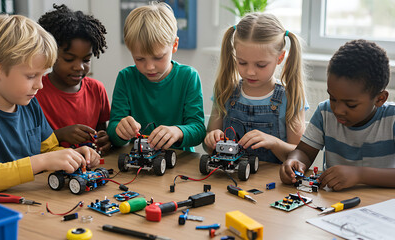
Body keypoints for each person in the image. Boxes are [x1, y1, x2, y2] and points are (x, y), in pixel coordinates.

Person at [0, 15, 100, 194]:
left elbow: (51, 149)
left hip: (29, 208)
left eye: (41, 75)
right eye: (31, 76)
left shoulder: (30, 105)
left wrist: (74, 156)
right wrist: (41, 161)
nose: (40, 85)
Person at [280, 39, 395, 191]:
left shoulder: (392, 119)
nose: (338, 110)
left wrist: (360, 175)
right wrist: (294, 161)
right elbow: (304, 152)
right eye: (333, 98)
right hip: (334, 204)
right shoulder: (324, 112)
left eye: (351, 104)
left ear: (380, 99)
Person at [204, 13, 307, 164]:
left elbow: (301, 155)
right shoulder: (225, 91)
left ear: (280, 58)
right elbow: (208, 147)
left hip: (273, 183)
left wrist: (273, 142)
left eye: (261, 65)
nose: (250, 72)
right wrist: (211, 138)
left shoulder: (290, 98)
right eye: (242, 62)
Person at [107, 2, 206, 152]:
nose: (149, 67)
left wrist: (178, 132)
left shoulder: (188, 77)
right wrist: (120, 130)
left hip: (179, 163)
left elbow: (198, 130)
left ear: (174, 45)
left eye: (158, 57)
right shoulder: (126, 78)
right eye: (140, 59)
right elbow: (113, 130)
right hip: (141, 161)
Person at [36, 4, 111, 154]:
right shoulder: (35, 93)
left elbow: (102, 132)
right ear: (50, 54)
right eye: (69, 59)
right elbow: (27, 143)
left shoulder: (96, 89)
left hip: (90, 168)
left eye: (86, 60)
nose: (79, 67)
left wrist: (106, 140)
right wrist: (60, 135)